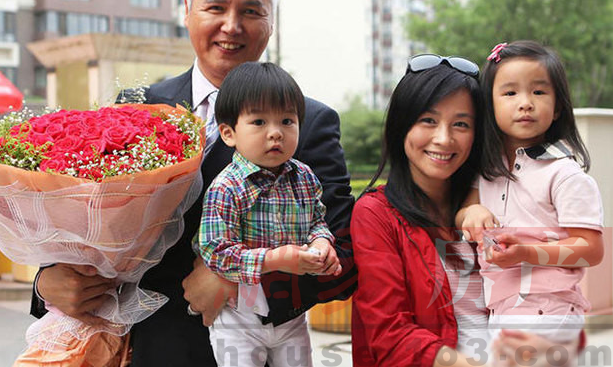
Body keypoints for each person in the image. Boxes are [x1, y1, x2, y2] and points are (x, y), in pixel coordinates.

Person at [31, 0, 356, 366]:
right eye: (215, 7)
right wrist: (46, 282)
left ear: (272, 22)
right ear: (187, 11)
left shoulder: (308, 122)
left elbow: (343, 255)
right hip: (151, 348)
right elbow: (84, 223)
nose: (232, 25)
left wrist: (236, 278)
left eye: (252, 11)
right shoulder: (136, 106)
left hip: (261, 346)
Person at [455, 41, 604, 353]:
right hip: (500, 310)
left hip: (548, 312)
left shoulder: (564, 174)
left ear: (558, 106)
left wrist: (526, 253)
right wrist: (472, 212)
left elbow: (590, 249)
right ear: (489, 105)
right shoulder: (487, 170)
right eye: (510, 93)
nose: (525, 103)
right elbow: (466, 208)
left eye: (538, 92)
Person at [197, 62, 342, 366]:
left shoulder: (303, 176)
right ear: (228, 133)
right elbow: (216, 252)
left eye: (287, 121)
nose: (276, 133)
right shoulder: (226, 187)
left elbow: (317, 221)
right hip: (239, 317)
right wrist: (275, 259)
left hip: (291, 315)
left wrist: (322, 245)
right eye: (259, 122)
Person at [351, 54, 490, 366]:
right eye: (428, 120)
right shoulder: (376, 214)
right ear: (402, 126)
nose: (444, 138)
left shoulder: (494, 201)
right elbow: (389, 332)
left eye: (461, 124)